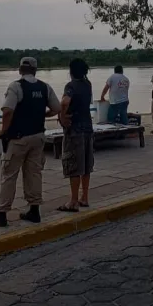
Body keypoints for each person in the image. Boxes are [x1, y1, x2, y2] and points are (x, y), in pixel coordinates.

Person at [0, 57, 61, 227]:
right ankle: (34, 210)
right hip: (38, 136)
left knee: (9, 175)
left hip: (18, 138)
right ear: (35, 70)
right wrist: (42, 115)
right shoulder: (44, 87)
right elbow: (57, 108)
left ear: (20, 70)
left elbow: (7, 111)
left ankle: (1, 214)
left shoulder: (16, 86)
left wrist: (4, 131)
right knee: (34, 174)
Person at [57, 58, 95, 212]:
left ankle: (73, 201)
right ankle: (84, 197)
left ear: (71, 71)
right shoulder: (88, 84)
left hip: (75, 130)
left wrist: (62, 117)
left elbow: (65, 102)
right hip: (87, 128)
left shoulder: (71, 86)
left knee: (73, 164)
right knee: (86, 165)